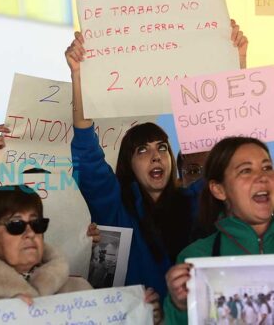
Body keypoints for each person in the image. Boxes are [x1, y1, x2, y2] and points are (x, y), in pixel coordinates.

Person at [64, 20, 248, 302]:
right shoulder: (115, 210)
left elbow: (232, 153)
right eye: (142, 150)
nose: (155, 155)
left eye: (162, 147)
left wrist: (236, 62)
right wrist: (78, 75)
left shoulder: (195, 202)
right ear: (127, 163)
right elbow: (87, 154)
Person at [0, 185, 93, 323]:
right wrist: (5, 316)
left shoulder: (78, 289)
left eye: (36, 224)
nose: (31, 233)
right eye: (16, 225)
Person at [164, 137, 274, 324]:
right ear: (218, 190)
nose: (263, 177)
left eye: (267, 167)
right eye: (246, 170)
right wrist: (180, 307)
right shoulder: (196, 258)